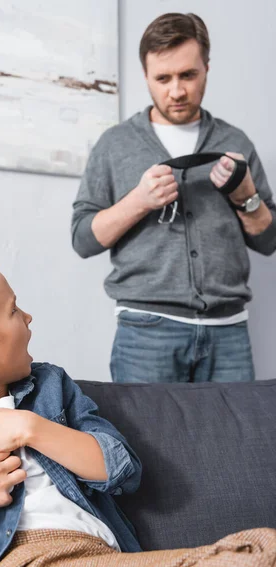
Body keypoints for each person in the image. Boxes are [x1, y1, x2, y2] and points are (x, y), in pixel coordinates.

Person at [0, 259, 275, 567]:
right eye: (14, 310)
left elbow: (121, 469)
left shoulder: (51, 389)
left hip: (101, 561)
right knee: (264, 566)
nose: (28, 317)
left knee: (265, 548)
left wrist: (26, 426)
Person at [71, 12, 276, 384]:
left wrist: (246, 197)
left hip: (229, 332)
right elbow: (83, 240)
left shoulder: (237, 143)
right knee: (147, 442)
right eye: (162, 78)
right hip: (146, 333)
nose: (177, 91)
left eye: (188, 75)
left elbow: (268, 240)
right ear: (145, 76)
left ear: (207, 69)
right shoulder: (115, 145)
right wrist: (138, 202)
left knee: (237, 441)